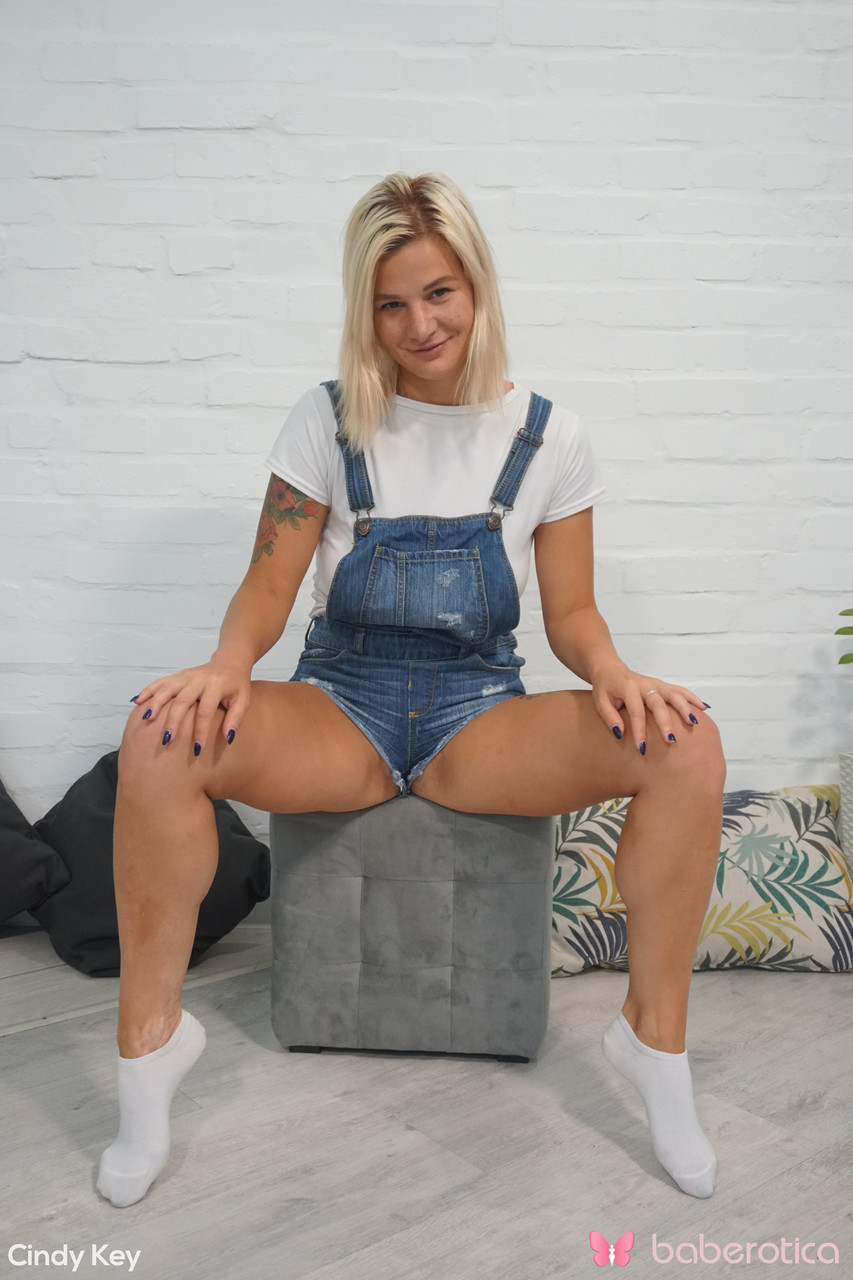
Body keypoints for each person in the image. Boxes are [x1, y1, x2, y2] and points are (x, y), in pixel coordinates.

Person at [96, 172, 726, 1209]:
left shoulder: (549, 436)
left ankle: (653, 1046)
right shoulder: (327, 418)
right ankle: (150, 1051)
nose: (418, 324)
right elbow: (268, 584)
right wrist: (224, 664)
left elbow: (571, 612)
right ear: (364, 310)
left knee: (688, 742)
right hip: (340, 705)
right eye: (389, 304)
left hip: (478, 712)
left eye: (438, 293)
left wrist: (615, 672)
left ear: (476, 285)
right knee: (159, 735)